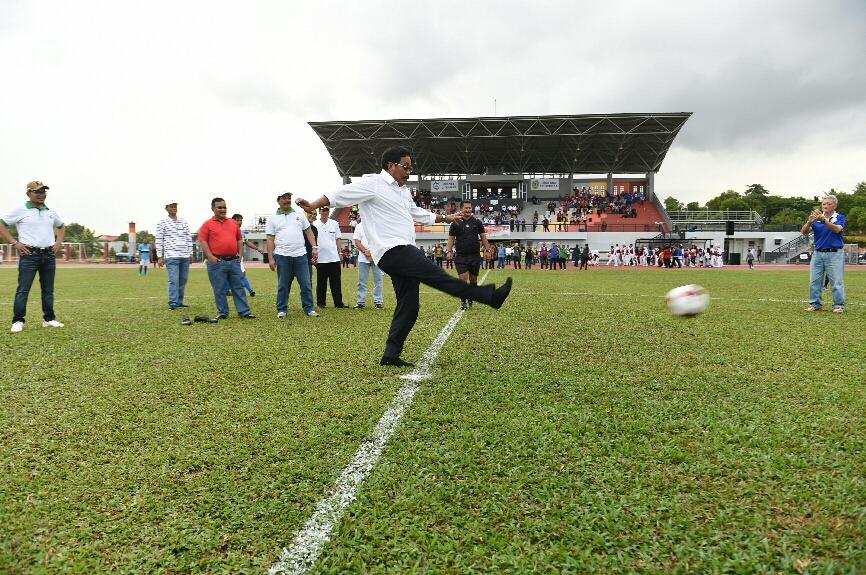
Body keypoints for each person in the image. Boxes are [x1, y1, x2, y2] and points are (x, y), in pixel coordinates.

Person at [296, 146, 512, 367]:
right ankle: (488, 297)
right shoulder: (373, 183)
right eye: (405, 167)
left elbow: (416, 212)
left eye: (410, 167)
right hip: (392, 250)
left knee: (410, 306)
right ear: (390, 165)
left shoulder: (402, 191)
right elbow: (339, 195)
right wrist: (313, 205)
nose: (409, 172)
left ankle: (390, 355)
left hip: (403, 249)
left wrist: (445, 218)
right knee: (437, 275)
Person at [0, 181, 66, 333]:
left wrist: (58, 242)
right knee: (23, 289)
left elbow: (62, 226)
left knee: (48, 290)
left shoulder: (50, 211)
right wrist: (15, 243)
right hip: (29, 256)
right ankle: (18, 320)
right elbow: (1, 224)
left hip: (48, 255)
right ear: (28, 193)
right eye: (37, 192)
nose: (41, 195)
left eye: (43, 192)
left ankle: (49, 319)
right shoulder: (21, 210)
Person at [198, 198, 255, 320]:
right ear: (213, 208)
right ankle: (223, 312)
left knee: (238, 287)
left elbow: (239, 239)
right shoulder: (207, 224)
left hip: (234, 261)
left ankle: (244, 312)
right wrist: (210, 257)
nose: (223, 210)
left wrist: (240, 254)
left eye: (224, 207)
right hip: (217, 262)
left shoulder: (233, 223)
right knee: (219, 289)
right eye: (219, 207)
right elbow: (203, 241)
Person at [266, 192, 318, 318]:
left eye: (289, 198)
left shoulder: (299, 215)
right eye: (284, 198)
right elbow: (270, 239)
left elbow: (309, 232)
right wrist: (271, 258)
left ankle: (309, 309)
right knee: (283, 285)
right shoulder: (272, 218)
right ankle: (282, 310)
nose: (287, 200)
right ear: (278, 201)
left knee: (306, 284)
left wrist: (314, 247)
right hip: (282, 256)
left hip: (301, 255)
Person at [802, 195, 846, 313]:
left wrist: (824, 221)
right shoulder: (816, 219)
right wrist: (809, 222)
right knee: (814, 281)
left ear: (835, 206)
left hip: (834, 253)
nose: (825, 206)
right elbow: (804, 232)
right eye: (824, 204)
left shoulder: (839, 217)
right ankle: (815, 304)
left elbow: (837, 229)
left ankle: (838, 305)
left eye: (829, 204)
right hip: (817, 253)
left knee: (836, 281)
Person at [446, 200, 491, 310]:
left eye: (470, 208)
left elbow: (483, 237)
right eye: (466, 208)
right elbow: (451, 238)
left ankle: (470, 298)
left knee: (473, 279)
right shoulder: (455, 222)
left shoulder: (477, 222)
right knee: (463, 279)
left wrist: (488, 250)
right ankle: (463, 301)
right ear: (461, 209)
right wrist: (449, 251)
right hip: (461, 256)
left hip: (475, 256)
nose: (468, 210)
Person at [155, 200, 193, 310]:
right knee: (174, 280)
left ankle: (179, 302)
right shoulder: (162, 222)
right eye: (171, 206)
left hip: (185, 255)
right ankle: (173, 303)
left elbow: (188, 237)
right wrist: (159, 256)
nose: (174, 208)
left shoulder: (183, 221)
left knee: (183, 280)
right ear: (166, 208)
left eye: (175, 206)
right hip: (171, 256)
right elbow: (159, 240)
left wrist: (190, 253)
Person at [313, 206, 348, 308]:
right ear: (319, 211)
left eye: (327, 210)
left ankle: (338, 303)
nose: (325, 212)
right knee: (321, 282)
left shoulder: (334, 223)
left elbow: (338, 239)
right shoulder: (314, 224)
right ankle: (321, 303)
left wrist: (340, 253)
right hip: (321, 258)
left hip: (333, 258)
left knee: (336, 282)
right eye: (323, 210)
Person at [353, 216, 384, 309]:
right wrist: (365, 252)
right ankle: (361, 302)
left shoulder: (378, 225)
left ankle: (378, 302)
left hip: (377, 257)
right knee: (362, 281)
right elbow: (357, 241)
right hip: (363, 258)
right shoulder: (359, 226)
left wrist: (373, 253)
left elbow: (381, 241)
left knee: (378, 280)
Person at [229, 214, 259, 297]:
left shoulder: (241, 233)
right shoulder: (229, 231)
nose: (239, 222)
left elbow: (246, 242)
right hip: (231, 256)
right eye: (237, 220)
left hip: (239, 257)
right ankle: (249, 290)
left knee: (241, 274)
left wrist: (257, 248)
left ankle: (249, 290)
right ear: (233, 221)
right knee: (233, 274)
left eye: (241, 220)